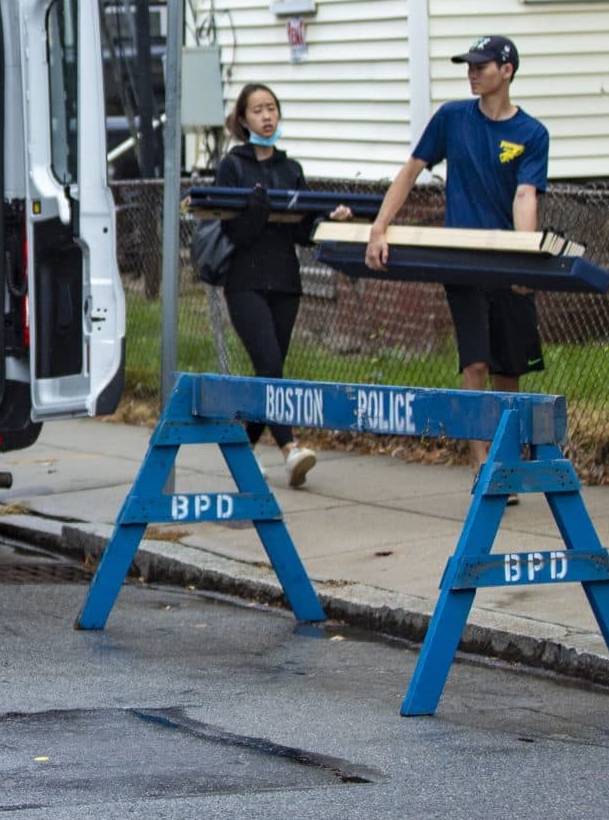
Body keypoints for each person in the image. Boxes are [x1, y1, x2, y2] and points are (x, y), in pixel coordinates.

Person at [367, 34, 549, 474]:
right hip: (462, 260)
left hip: (506, 261)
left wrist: (524, 256)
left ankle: (506, 456)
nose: (471, 73)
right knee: (476, 361)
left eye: (481, 66)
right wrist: (379, 228)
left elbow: (525, 195)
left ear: (506, 71)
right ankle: (480, 460)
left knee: (509, 368)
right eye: (468, 66)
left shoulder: (531, 133)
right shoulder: (451, 118)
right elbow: (411, 171)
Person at [213, 84, 351, 488]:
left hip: (286, 282)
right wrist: (258, 212)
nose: (266, 116)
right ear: (243, 120)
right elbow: (233, 230)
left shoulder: (290, 169)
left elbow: (303, 232)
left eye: (271, 108)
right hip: (245, 283)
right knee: (271, 366)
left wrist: (329, 219)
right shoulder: (233, 166)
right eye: (257, 110)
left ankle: (241, 447)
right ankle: (290, 449)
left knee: (267, 373)